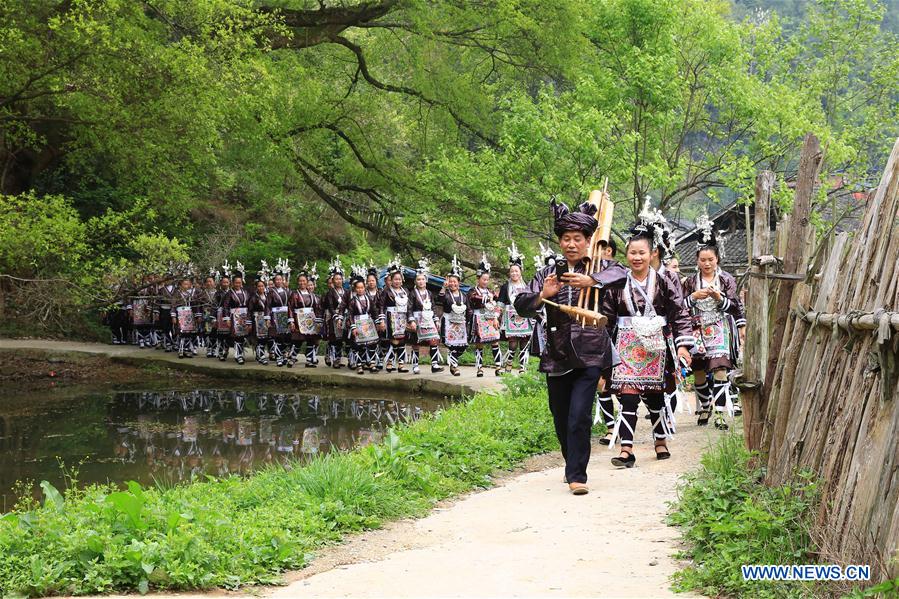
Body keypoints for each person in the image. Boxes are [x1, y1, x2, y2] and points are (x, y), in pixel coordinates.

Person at [513, 198, 627, 495]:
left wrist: (590, 280)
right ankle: (571, 462)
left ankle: (578, 475)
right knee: (561, 415)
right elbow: (520, 304)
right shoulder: (548, 273)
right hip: (558, 353)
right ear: (560, 241)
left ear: (589, 241)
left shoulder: (601, 267)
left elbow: (621, 275)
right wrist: (542, 294)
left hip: (591, 351)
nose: (572, 244)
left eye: (578, 238)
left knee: (580, 415)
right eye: (566, 238)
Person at [602, 222, 694, 468]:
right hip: (626, 344)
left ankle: (660, 440)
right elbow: (607, 316)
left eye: (642, 252)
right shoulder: (618, 281)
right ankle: (626, 449)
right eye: (632, 253)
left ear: (652, 253)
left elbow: (679, 313)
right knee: (628, 395)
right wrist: (602, 350)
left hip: (655, 344)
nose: (637, 257)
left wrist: (683, 346)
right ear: (626, 254)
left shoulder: (665, 280)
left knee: (655, 396)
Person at [682, 214, 746, 430]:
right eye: (703, 260)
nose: (707, 263)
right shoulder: (690, 282)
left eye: (710, 259)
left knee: (720, 368)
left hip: (720, 327)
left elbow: (735, 306)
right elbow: (681, 306)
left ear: (717, 259)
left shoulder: (726, 279)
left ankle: (719, 413)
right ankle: (705, 405)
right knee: (699, 370)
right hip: (697, 329)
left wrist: (720, 298)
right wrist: (693, 297)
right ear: (697, 260)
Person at [498, 242, 534, 375]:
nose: (514, 273)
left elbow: (531, 301)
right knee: (512, 344)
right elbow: (500, 303)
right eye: (512, 271)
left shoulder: (527, 286)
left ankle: (522, 367)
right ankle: (509, 363)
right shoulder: (505, 287)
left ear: (520, 272)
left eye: (516, 271)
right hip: (510, 317)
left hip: (524, 317)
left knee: (524, 342)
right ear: (509, 272)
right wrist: (496, 317)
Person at [467, 254, 503, 377]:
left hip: (490, 318)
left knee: (495, 341)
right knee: (479, 343)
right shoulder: (473, 291)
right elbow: (474, 299)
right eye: (483, 279)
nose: (486, 282)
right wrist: (487, 298)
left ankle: (498, 367)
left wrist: (496, 317)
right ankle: (479, 368)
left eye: (487, 280)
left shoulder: (491, 292)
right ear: (478, 279)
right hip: (479, 318)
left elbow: (497, 303)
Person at [408, 258, 443, 374]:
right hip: (417, 319)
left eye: (423, 279)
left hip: (428, 319)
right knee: (416, 343)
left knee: (434, 339)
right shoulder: (412, 293)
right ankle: (415, 365)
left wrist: (436, 319)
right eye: (418, 279)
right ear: (415, 281)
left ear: (426, 280)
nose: (421, 281)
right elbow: (409, 308)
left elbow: (433, 307)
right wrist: (411, 321)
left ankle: (434, 365)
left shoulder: (429, 293)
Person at [377, 256, 411, 373]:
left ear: (402, 280)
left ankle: (401, 364)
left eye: (399, 279)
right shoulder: (386, 291)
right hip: (391, 318)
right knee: (393, 340)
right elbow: (381, 306)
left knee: (402, 341)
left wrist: (410, 320)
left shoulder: (405, 291)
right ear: (391, 280)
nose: (397, 281)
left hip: (403, 318)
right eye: (395, 279)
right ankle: (390, 362)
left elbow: (409, 306)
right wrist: (382, 321)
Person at [347, 266, 380, 374]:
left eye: (362, 287)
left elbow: (374, 311)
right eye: (358, 288)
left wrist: (377, 322)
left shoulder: (368, 298)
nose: (360, 289)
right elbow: (350, 315)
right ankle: (359, 365)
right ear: (355, 289)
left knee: (372, 343)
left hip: (368, 324)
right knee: (359, 345)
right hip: (357, 324)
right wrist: (353, 327)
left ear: (365, 287)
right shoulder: (352, 301)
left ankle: (371, 363)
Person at [289, 264, 323, 367]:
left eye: (304, 281)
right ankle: (292, 358)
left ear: (307, 282)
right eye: (300, 281)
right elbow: (290, 307)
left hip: (310, 319)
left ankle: (309, 360)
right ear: (298, 282)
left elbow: (316, 308)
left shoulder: (311, 295)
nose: (302, 283)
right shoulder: (294, 294)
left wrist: (318, 320)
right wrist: (291, 321)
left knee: (310, 340)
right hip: (298, 319)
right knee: (298, 340)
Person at [439, 256, 468, 377]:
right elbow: (440, 299)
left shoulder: (463, 295)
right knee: (451, 345)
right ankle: (454, 367)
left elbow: (468, 309)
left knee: (462, 346)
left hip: (461, 323)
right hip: (448, 322)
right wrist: (443, 287)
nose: (452, 284)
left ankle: (453, 362)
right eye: (450, 282)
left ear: (458, 283)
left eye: (454, 282)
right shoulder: (445, 294)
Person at [221, 262, 249, 364]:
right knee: (237, 336)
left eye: (239, 282)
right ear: (232, 283)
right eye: (236, 283)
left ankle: (239, 352)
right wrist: (227, 319)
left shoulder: (245, 292)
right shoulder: (229, 293)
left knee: (242, 336)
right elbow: (225, 306)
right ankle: (238, 355)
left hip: (244, 316)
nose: (238, 284)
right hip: (234, 317)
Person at [266, 259, 293, 367]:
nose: (278, 281)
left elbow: (290, 304)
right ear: (274, 281)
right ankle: (279, 358)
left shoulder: (287, 291)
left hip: (285, 316)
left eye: (280, 279)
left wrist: (291, 318)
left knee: (285, 337)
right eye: (276, 280)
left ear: (283, 280)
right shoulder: (271, 292)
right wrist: (267, 318)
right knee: (278, 337)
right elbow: (268, 306)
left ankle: (283, 355)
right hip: (275, 316)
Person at [323, 258, 348, 369]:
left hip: (344, 316)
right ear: (333, 280)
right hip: (334, 317)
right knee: (334, 339)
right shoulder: (331, 293)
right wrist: (336, 316)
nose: (338, 281)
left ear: (343, 280)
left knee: (342, 338)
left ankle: (338, 358)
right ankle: (335, 359)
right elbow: (330, 306)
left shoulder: (346, 292)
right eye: (336, 279)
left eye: (340, 279)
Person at [364, 264, 386, 370]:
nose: (371, 283)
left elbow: (382, 306)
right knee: (369, 341)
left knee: (380, 340)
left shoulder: (381, 292)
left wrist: (380, 320)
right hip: (366, 320)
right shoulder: (363, 293)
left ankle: (380, 359)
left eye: (373, 280)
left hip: (378, 319)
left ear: (376, 281)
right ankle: (369, 361)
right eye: (369, 281)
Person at [172, 274, 198, 358]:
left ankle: (186, 349)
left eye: (188, 284)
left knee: (188, 333)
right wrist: (173, 316)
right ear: (180, 285)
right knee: (181, 333)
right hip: (180, 315)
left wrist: (196, 315)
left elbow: (195, 305)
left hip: (189, 315)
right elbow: (173, 305)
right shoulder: (177, 294)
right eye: (185, 284)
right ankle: (181, 350)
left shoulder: (191, 294)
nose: (186, 286)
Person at [249, 264, 270, 365]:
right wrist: (250, 321)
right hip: (257, 319)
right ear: (256, 287)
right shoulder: (253, 298)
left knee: (266, 338)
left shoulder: (268, 296)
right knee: (259, 338)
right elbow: (250, 310)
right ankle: (261, 356)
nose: (261, 287)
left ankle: (260, 354)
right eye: (259, 286)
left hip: (266, 319)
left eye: (262, 286)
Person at [198, 272, 219, 358]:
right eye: (207, 281)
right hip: (205, 314)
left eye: (210, 281)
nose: (209, 283)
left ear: (214, 283)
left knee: (214, 331)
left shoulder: (218, 293)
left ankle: (214, 348)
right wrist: (199, 315)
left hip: (216, 314)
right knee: (207, 332)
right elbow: (198, 305)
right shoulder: (202, 294)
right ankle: (208, 348)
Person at [214, 269, 232, 361]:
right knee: (220, 335)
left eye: (227, 282)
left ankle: (226, 351)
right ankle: (220, 352)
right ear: (221, 283)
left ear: (229, 283)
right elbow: (214, 306)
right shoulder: (217, 293)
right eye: (223, 282)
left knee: (228, 335)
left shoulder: (232, 293)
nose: (225, 284)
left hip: (229, 314)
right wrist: (214, 318)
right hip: (220, 314)